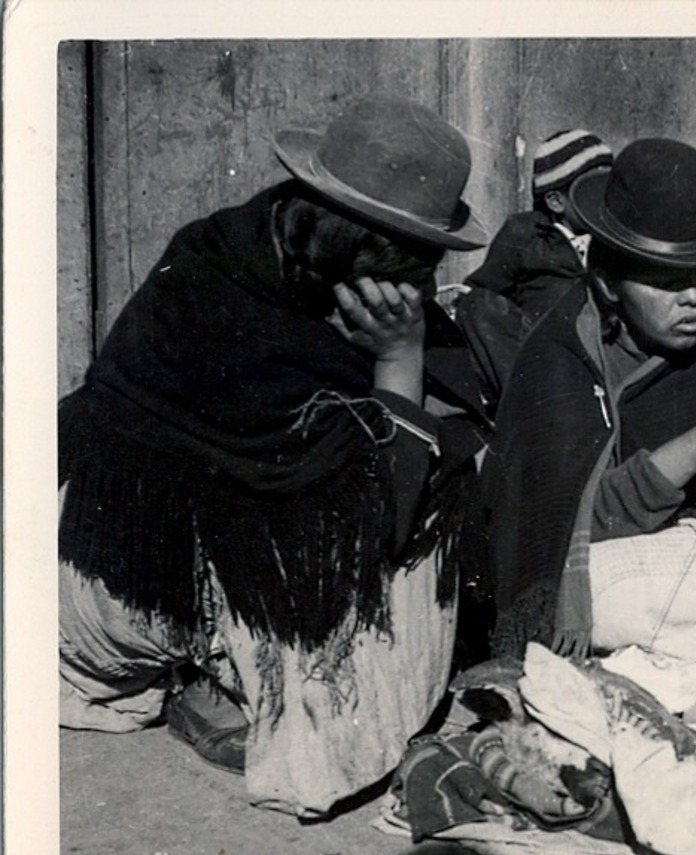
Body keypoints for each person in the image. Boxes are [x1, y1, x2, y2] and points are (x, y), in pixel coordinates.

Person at [57, 97, 490, 816]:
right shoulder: (322, 331)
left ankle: (204, 667)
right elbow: (380, 521)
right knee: (440, 486)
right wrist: (401, 358)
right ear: (377, 262)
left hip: (81, 596)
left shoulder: (214, 249)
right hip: (156, 603)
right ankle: (228, 674)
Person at [483, 138, 696, 660]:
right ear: (608, 283)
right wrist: (688, 457)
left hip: (691, 567)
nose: (695, 298)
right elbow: (555, 536)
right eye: (668, 280)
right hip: (609, 575)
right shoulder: (558, 361)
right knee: (609, 596)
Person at [453, 129, 615, 419]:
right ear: (556, 202)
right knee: (477, 305)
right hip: (538, 353)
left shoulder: (612, 239)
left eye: (609, 186)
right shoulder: (525, 235)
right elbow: (483, 288)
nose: (605, 201)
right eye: (592, 190)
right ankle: (532, 408)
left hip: (594, 348)